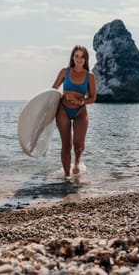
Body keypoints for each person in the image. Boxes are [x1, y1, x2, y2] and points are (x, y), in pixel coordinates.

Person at [52, 45, 96, 178]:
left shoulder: (90, 76)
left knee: (78, 144)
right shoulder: (64, 72)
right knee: (66, 144)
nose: (79, 59)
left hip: (80, 112)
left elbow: (93, 98)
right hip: (63, 110)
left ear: (86, 59)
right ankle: (66, 177)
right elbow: (53, 90)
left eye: (82, 56)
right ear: (72, 57)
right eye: (76, 56)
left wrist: (80, 102)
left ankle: (77, 161)